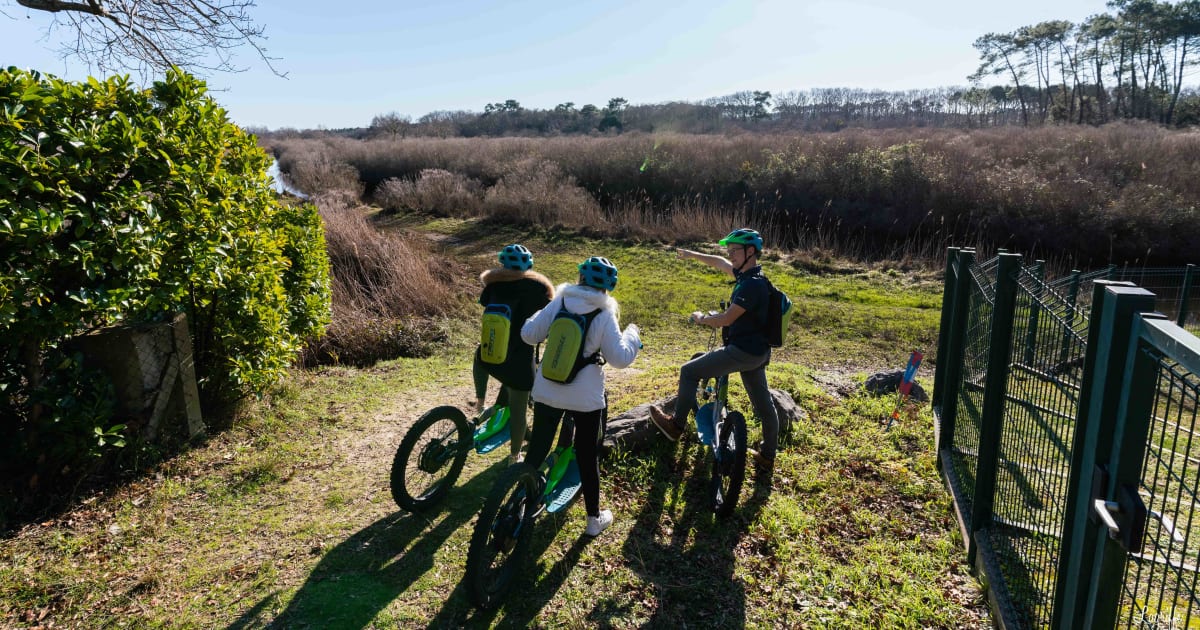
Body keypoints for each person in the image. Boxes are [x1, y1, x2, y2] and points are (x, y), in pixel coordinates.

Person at [521, 256, 641, 537]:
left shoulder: (560, 301)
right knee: (587, 456)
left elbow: (529, 334)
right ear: (607, 288)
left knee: (537, 448)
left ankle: (520, 501)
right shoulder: (604, 314)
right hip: (584, 399)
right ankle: (593, 520)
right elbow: (620, 358)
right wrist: (633, 334)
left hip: (546, 390)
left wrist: (535, 317)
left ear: (580, 279)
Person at [649, 228, 782, 478]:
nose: (730, 255)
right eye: (729, 250)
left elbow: (726, 319)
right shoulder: (752, 276)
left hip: (742, 351)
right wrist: (691, 254)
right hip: (758, 353)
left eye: (735, 251)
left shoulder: (750, 286)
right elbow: (718, 262)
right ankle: (768, 455)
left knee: (688, 372)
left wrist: (701, 318)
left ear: (750, 251)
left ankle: (676, 425)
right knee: (764, 405)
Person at [473, 244, 555, 465]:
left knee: (478, 353)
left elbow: (485, 303)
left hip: (489, 357)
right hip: (518, 358)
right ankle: (514, 456)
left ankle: (480, 402)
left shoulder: (493, 285)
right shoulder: (536, 287)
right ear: (529, 265)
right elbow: (549, 315)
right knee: (519, 409)